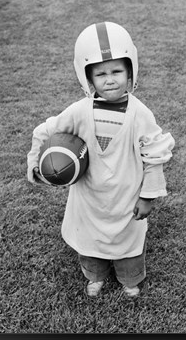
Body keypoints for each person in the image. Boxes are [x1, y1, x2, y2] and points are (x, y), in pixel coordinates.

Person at [27, 21, 175, 298]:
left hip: (126, 195)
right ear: (87, 78)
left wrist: (148, 196)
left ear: (131, 70)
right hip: (89, 196)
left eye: (117, 71)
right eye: (101, 74)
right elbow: (46, 131)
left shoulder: (140, 113)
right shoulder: (79, 111)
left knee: (128, 242)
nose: (110, 79)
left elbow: (155, 154)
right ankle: (95, 275)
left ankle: (129, 279)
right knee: (89, 239)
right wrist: (37, 162)